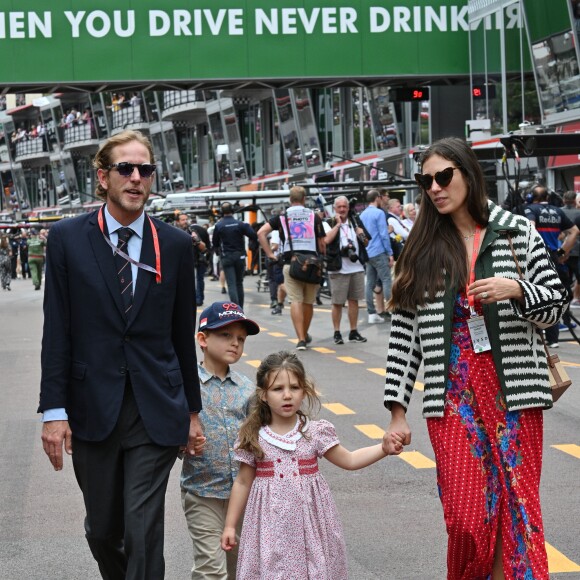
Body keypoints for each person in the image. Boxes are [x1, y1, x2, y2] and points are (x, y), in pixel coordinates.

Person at [382, 137, 569, 580]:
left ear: (468, 173)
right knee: (466, 518)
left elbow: (555, 305)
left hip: (512, 391)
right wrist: (396, 410)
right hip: (452, 398)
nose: (434, 187)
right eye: (425, 180)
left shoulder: (515, 231)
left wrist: (516, 288)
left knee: (517, 507)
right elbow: (403, 334)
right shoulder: (422, 246)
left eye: (443, 176)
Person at [38, 130, 204, 580]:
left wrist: (192, 410)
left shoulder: (172, 244)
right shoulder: (68, 239)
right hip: (92, 405)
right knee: (104, 529)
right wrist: (54, 411)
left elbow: (179, 334)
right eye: (125, 169)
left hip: (156, 405)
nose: (136, 178)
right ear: (103, 177)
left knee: (143, 524)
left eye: (145, 169)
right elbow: (58, 330)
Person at [221, 351, 404, 579]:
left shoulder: (315, 432)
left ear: (304, 391)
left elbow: (349, 459)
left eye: (294, 388)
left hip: (310, 525)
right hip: (269, 525)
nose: (287, 395)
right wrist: (230, 526)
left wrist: (383, 449)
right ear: (264, 395)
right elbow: (242, 481)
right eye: (278, 389)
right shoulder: (254, 437)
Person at [181, 301, 260, 580]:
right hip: (202, 492)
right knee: (210, 570)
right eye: (226, 335)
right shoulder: (185, 386)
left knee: (240, 568)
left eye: (240, 338)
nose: (235, 343)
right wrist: (183, 443)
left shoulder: (248, 389)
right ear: (202, 339)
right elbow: (173, 432)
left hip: (244, 495)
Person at [257, 186, 326, 350]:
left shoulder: (282, 217)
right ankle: (305, 333)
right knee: (308, 302)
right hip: (311, 263)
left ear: (290, 200)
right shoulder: (313, 216)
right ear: (304, 199)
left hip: (291, 262)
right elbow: (322, 244)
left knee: (296, 300)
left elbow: (261, 233)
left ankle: (301, 338)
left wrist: (270, 254)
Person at [524, 185, 579, 347]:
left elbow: (530, 229)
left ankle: (537, 335)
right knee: (555, 295)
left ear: (530, 197)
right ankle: (553, 337)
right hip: (555, 258)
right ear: (547, 197)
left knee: (536, 297)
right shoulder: (557, 211)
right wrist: (562, 252)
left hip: (537, 259)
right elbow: (574, 231)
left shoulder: (530, 209)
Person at [323, 195, 369, 344]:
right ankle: (337, 332)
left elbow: (366, 242)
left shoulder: (355, 222)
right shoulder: (329, 222)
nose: (342, 209)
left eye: (345, 207)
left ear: (348, 208)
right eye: (339, 207)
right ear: (334, 209)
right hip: (338, 268)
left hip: (356, 267)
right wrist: (337, 225)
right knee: (337, 302)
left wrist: (360, 233)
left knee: (354, 300)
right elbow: (326, 240)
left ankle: (353, 331)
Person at [212, 202, 257, 308]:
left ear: (222, 212)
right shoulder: (240, 224)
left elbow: (215, 243)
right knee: (239, 283)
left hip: (227, 256)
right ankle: (240, 308)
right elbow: (253, 235)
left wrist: (219, 253)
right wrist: (252, 245)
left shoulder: (219, 225)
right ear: (232, 210)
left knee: (231, 284)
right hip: (239, 256)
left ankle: (236, 311)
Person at [360, 189, 394, 323]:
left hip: (368, 252)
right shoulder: (379, 213)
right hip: (379, 251)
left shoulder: (362, 214)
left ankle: (371, 312)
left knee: (370, 282)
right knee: (386, 280)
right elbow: (383, 234)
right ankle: (392, 309)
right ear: (377, 198)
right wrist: (389, 252)